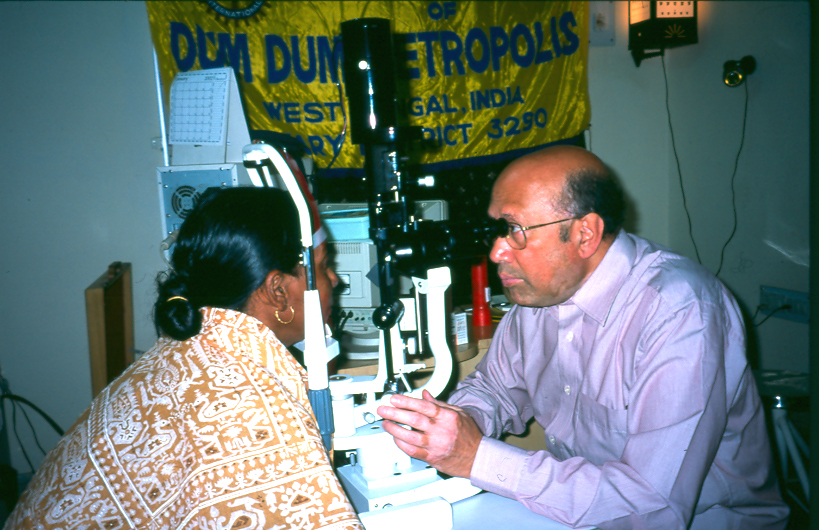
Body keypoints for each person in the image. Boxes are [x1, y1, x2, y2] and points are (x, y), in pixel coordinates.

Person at [378, 145, 789, 529]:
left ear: (585, 234)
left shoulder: (681, 310)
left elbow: (654, 504)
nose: (497, 252)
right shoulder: (538, 296)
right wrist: (451, 424)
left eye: (515, 230)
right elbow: (496, 388)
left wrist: (476, 457)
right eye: (498, 229)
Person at [6, 187, 363, 529]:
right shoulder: (241, 407)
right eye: (323, 266)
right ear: (278, 291)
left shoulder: (191, 350)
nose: (335, 279)